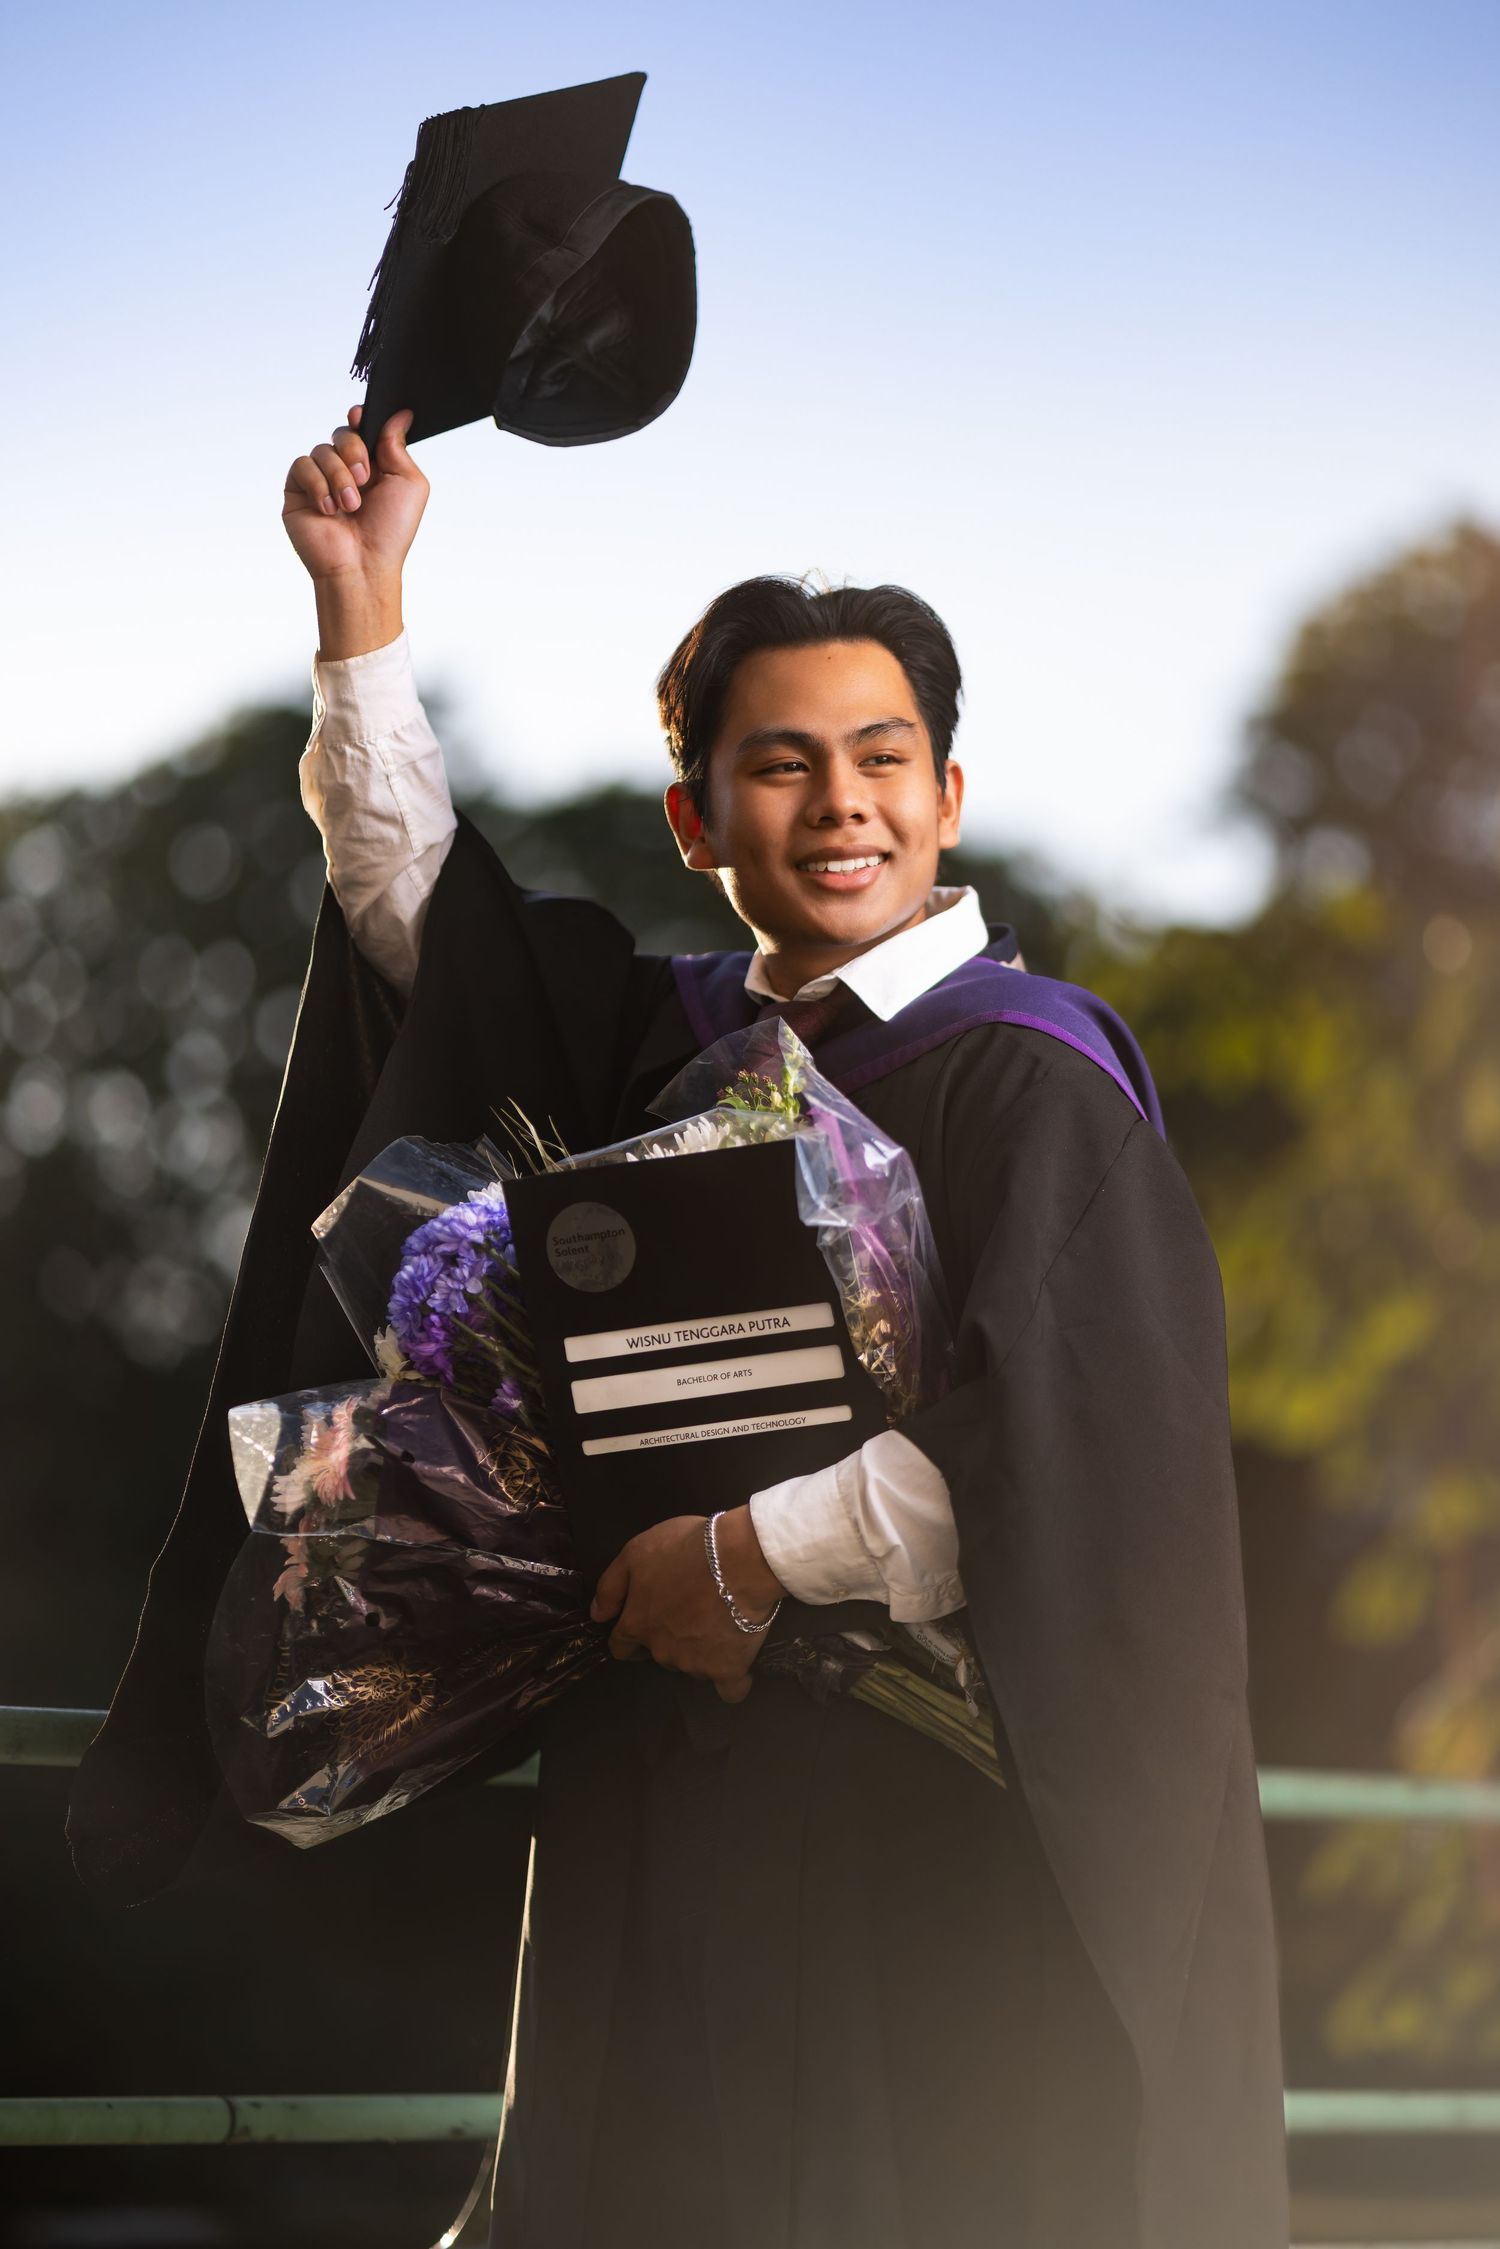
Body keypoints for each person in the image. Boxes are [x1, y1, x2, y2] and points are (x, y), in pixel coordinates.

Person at [71, 399, 1291, 2248]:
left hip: (928, 1823)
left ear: (948, 796)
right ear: (696, 812)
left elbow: (1081, 1447)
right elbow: (432, 942)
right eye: (781, 763)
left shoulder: (1036, 1079)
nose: (843, 803)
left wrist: (750, 1552)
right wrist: (362, 609)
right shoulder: (679, 1036)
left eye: (885, 757)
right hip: (671, 1795)